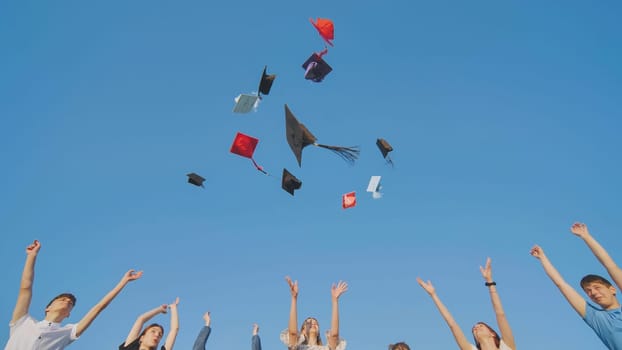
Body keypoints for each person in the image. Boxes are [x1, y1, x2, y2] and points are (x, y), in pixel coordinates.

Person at [5, 239, 142, 350]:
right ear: (48, 308)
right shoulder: (23, 321)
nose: (66, 302)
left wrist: (123, 282)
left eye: (70, 303)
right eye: (62, 299)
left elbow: (99, 307)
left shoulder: (68, 332)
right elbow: (26, 288)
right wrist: (31, 256)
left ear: (68, 314)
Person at [530, 222, 622, 350]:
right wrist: (543, 258)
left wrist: (586, 237)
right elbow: (561, 285)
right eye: (588, 291)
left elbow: (610, 266)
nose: (594, 293)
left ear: (612, 289)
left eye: (597, 287)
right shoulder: (597, 318)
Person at [417, 258, 516, 350]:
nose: (476, 328)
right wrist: (434, 295)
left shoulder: (506, 346)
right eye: (474, 329)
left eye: (480, 326)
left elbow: (500, 314)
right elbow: (452, 325)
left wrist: (489, 281)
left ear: (492, 333)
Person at [280, 276, 348, 350]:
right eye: (308, 322)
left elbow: (334, 335)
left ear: (318, 332)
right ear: (302, 331)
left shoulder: (326, 348)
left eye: (315, 323)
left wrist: (335, 300)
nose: (313, 323)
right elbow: (293, 333)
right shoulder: (298, 348)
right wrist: (294, 298)